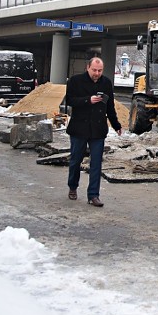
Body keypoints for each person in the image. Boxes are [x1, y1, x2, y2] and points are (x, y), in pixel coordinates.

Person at [65, 57, 122, 207]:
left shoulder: (106, 83)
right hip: (79, 128)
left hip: (98, 129)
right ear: (87, 68)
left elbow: (110, 107)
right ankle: (72, 186)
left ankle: (93, 195)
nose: (97, 73)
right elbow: (70, 101)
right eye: (94, 70)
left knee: (96, 163)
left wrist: (116, 125)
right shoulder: (75, 81)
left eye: (100, 70)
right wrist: (87, 100)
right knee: (75, 160)